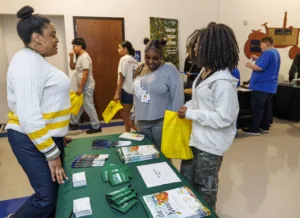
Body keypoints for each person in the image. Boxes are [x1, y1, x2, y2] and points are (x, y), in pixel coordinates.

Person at [5, 6, 69, 218]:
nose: (56, 39)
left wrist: (58, 132)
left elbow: (45, 104)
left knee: (55, 194)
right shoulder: (26, 62)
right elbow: (29, 116)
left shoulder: (36, 60)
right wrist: (52, 153)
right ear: (37, 38)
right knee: (46, 198)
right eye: (52, 34)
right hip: (28, 139)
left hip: (44, 137)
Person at [178, 23, 240, 211]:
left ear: (213, 47)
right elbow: (200, 102)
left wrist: (192, 113)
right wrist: (187, 107)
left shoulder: (223, 82)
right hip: (196, 139)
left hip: (211, 146)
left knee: (205, 188)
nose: (196, 48)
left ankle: (205, 214)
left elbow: (224, 117)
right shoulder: (205, 73)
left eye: (200, 44)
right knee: (187, 180)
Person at [133, 38, 184, 150]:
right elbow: (137, 93)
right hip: (142, 121)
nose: (151, 61)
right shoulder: (141, 68)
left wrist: (175, 120)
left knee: (163, 155)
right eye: (147, 57)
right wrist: (134, 113)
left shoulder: (169, 69)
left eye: (155, 58)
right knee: (145, 153)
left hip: (161, 121)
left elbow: (177, 95)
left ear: (161, 56)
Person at [243, 36, 281, 135]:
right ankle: (265, 127)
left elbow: (260, 68)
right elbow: (268, 64)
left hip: (261, 86)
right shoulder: (275, 52)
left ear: (267, 44)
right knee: (267, 106)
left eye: (261, 44)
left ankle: (254, 129)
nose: (260, 47)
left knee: (258, 107)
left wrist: (249, 65)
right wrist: (258, 58)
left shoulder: (267, 53)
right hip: (270, 86)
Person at [69, 37, 102, 134]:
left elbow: (86, 73)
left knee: (88, 105)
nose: (73, 48)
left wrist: (80, 88)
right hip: (84, 85)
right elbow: (72, 67)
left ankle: (96, 126)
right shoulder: (79, 56)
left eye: (74, 46)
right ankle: (74, 122)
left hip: (87, 85)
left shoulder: (85, 57)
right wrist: (71, 57)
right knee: (80, 104)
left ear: (80, 46)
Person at [114, 41, 139, 132]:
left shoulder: (124, 59)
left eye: (120, 47)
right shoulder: (134, 60)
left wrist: (117, 92)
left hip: (125, 90)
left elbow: (122, 76)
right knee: (127, 115)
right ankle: (127, 133)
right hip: (133, 90)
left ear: (125, 49)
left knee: (124, 115)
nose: (118, 50)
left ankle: (140, 131)